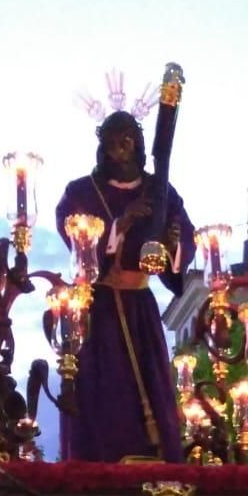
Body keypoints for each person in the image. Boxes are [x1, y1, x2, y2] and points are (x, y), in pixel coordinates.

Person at [55, 109, 195, 463]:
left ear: (139, 144)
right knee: (103, 391)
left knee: (150, 388)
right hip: (98, 309)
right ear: (102, 148)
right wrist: (120, 223)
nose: (119, 151)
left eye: (126, 142)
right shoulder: (81, 191)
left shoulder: (160, 190)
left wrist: (172, 242)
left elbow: (182, 241)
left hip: (140, 308)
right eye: (112, 144)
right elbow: (75, 237)